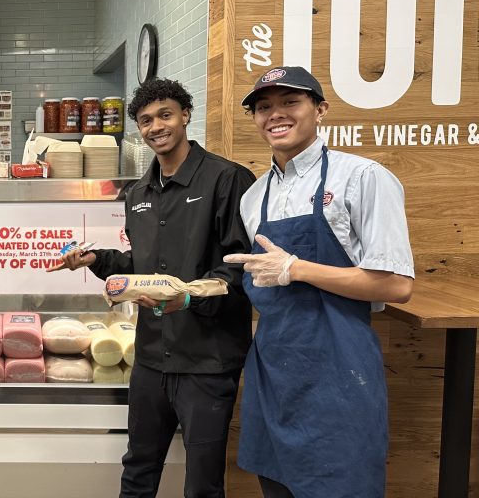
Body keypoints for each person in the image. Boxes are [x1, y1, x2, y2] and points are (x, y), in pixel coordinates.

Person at [56, 78, 255, 498]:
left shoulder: (227, 179)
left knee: (202, 484)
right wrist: (97, 260)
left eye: (165, 115)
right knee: (138, 469)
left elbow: (240, 268)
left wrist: (189, 297)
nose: (156, 127)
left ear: (185, 115)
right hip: (151, 357)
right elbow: (142, 265)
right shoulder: (138, 193)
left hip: (206, 360)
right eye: (145, 120)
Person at [224, 66, 414, 498]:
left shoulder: (363, 177)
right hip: (273, 369)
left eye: (290, 102)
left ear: (321, 109)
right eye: (264, 107)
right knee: (276, 485)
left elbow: (396, 286)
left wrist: (297, 269)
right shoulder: (253, 197)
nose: (276, 114)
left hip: (340, 370)